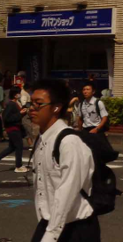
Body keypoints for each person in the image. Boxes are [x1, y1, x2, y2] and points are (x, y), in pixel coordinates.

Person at [29, 78, 99, 241]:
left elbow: (68, 191)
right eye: (31, 104)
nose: (32, 109)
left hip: (76, 229)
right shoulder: (42, 139)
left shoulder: (69, 142)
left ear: (56, 107)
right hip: (50, 223)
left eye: (38, 104)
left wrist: (51, 234)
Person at [0, 86, 27, 172]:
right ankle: (18, 166)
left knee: (12, 147)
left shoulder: (16, 103)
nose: (20, 95)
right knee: (19, 146)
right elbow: (6, 118)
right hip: (13, 128)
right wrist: (19, 113)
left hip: (15, 127)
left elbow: (16, 116)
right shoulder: (11, 104)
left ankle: (18, 165)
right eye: (19, 93)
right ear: (15, 95)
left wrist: (22, 113)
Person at [77, 82, 110, 149]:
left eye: (88, 89)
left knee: (99, 152)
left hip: (97, 130)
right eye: (84, 89)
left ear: (93, 91)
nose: (85, 91)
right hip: (85, 131)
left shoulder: (98, 103)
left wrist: (97, 129)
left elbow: (104, 117)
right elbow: (80, 118)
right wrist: (80, 131)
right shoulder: (81, 104)